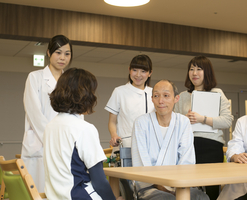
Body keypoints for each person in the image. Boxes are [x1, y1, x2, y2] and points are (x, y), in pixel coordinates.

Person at [44, 68, 122, 200]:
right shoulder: (84, 129)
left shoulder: (50, 126)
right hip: (79, 196)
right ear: (85, 95)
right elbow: (100, 182)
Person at [131, 80, 209, 200]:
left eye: (166, 96)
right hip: (149, 185)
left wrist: (176, 185)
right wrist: (162, 186)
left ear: (176, 98)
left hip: (179, 183)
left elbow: (187, 160)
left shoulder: (183, 122)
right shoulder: (141, 123)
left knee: (201, 197)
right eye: (156, 96)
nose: (161, 101)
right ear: (152, 99)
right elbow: (141, 163)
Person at [174, 55, 233, 200]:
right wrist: (184, 120)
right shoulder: (182, 96)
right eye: (191, 69)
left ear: (207, 72)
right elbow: (173, 122)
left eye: (199, 69)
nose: (194, 73)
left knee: (212, 189)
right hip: (188, 145)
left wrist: (203, 119)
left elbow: (227, 121)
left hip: (211, 146)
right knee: (187, 186)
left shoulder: (217, 93)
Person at [21, 35, 73, 192]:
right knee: (39, 191)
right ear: (49, 53)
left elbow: (76, 113)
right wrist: (52, 137)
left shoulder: (70, 81)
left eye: (67, 53)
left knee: (62, 192)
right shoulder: (35, 77)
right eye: (58, 52)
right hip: (40, 142)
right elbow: (33, 112)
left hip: (65, 145)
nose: (62, 58)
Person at [105, 54, 155, 148]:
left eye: (143, 71)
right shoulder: (119, 91)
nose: (138, 75)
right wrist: (114, 135)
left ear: (150, 73)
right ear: (129, 70)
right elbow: (112, 121)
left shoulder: (154, 93)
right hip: (127, 145)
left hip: (150, 145)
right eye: (134, 70)